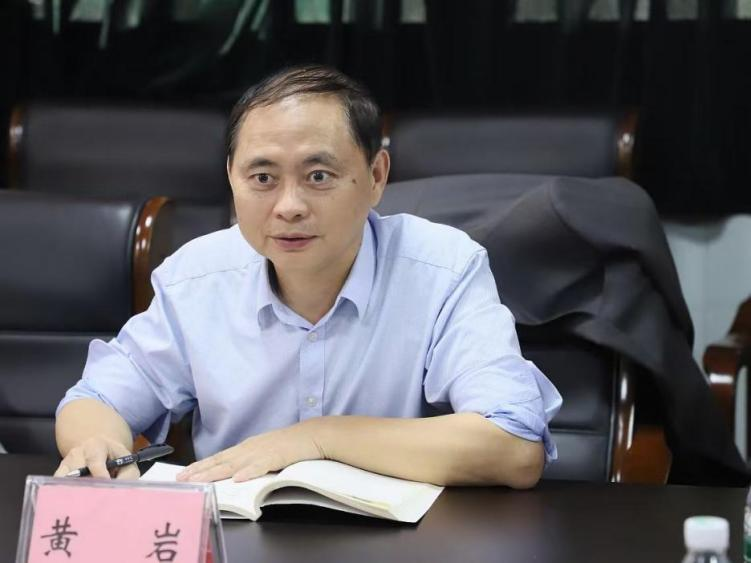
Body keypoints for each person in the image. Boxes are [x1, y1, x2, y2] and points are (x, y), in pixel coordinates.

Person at [54, 65, 561, 488]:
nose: (289, 207)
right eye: (263, 178)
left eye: (319, 176)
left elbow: (514, 446)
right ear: (231, 177)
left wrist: (320, 438)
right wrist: (98, 442)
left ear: (376, 177)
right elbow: (95, 399)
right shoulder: (197, 277)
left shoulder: (443, 269)